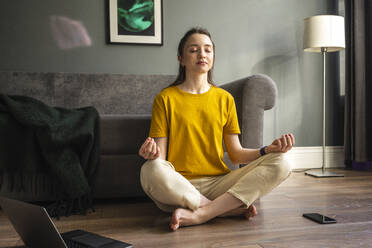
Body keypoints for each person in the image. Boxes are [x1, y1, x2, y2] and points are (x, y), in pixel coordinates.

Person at [138, 27, 294, 231]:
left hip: (220, 185)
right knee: (150, 169)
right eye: (193, 50)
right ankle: (225, 209)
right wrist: (150, 154)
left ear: (213, 57)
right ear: (181, 59)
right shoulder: (165, 98)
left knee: (282, 161)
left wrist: (267, 151)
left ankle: (203, 213)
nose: (202, 54)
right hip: (179, 187)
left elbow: (236, 155)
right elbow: (161, 159)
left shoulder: (224, 99)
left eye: (208, 50)